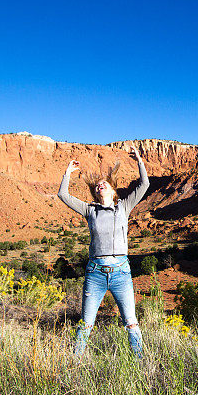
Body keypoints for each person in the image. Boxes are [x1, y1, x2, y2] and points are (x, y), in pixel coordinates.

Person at [57, 146, 150, 357]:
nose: (100, 185)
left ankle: (141, 363)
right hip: (95, 273)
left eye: (105, 184)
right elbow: (62, 194)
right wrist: (67, 173)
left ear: (113, 190)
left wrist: (139, 161)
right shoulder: (90, 210)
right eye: (98, 185)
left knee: (131, 323)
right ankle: (75, 363)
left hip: (121, 273)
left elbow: (145, 184)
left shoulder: (124, 206)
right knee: (86, 324)